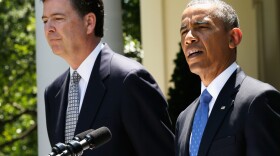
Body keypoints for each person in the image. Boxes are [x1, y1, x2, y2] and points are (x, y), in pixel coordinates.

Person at [41, 0, 175, 155]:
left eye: (58, 18)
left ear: (89, 22)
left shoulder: (128, 79)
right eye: (45, 20)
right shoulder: (53, 92)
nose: (48, 28)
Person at [175, 0, 280, 156]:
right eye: (184, 31)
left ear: (233, 38)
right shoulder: (184, 118)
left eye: (202, 27)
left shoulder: (258, 100)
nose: (189, 38)